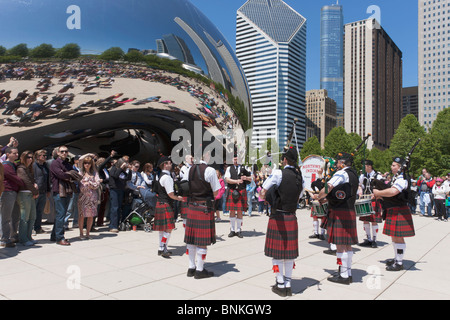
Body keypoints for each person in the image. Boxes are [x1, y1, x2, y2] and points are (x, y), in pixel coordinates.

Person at [260, 147, 304, 297]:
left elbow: (263, 191)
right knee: (289, 254)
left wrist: (267, 197)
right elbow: (298, 198)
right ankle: (288, 284)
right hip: (291, 216)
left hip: (278, 216)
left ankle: (280, 284)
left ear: (285, 160)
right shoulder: (300, 177)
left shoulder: (278, 173)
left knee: (278, 254)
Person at [316, 152, 359, 285]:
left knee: (340, 246)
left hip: (340, 212)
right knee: (347, 246)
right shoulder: (354, 174)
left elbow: (328, 187)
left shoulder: (341, 174)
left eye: (338, 162)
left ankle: (343, 275)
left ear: (342, 163)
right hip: (349, 210)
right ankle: (348, 272)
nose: (336, 164)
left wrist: (319, 196)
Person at [373, 157, 415, 271]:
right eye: (392, 165)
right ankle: (397, 258)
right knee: (394, 237)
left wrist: (378, 192)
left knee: (398, 237)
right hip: (394, 209)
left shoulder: (402, 179)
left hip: (399, 210)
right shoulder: (396, 178)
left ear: (401, 167)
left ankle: (399, 262)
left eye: (394, 165)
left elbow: (393, 192)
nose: (392, 167)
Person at [183, 151, 220, 279]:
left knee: (191, 240)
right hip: (204, 207)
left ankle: (191, 267)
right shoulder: (209, 170)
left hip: (192, 207)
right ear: (206, 157)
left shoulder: (189, 170)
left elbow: (184, 187)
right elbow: (216, 191)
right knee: (201, 241)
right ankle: (199, 270)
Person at [154, 156, 183, 258]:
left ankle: (161, 247)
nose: (171, 164)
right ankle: (163, 247)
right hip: (166, 203)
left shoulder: (160, 175)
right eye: (170, 163)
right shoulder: (167, 178)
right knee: (169, 228)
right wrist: (179, 198)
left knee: (163, 229)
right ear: (165, 165)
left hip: (161, 203)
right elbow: (171, 194)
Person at [50, 146, 78, 246]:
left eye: (66, 151)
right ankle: (60, 238)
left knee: (61, 215)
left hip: (67, 191)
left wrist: (68, 174)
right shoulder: (55, 163)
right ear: (58, 152)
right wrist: (69, 174)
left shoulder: (67, 163)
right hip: (58, 192)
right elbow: (61, 175)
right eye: (62, 151)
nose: (64, 153)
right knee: (61, 215)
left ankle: (54, 236)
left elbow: (76, 174)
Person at [0, 147, 25, 248]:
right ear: (7, 154)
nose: (16, 155)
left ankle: (13, 235)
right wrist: (25, 183)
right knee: (5, 217)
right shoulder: (5, 166)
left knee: (15, 216)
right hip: (7, 192)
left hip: (14, 192)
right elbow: (16, 179)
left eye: (17, 153)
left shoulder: (14, 164)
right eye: (14, 153)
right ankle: (4, 239)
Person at [358, 160, 384, 248]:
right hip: (365, 199)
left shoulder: (378, 176)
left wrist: (376, 193)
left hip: (374, 200)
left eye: (364, 166)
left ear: (369, 166)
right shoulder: (363, 176)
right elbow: (359, 185)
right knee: (365, 220)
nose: (363, 168)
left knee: (373, 220)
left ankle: (374, 240)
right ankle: (368, 239)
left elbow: (382, 187)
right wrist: (360, 191)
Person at [224, 155, 252, 238]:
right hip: (232, 191)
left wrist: (246, 178)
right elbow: (227, 179)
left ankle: (239, 230)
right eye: (234, 159)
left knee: (240, 211)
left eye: (237, 159)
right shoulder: (229, 168)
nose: (235, 161)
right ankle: (232, 230)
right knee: (232, 211)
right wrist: (236, 181)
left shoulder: (245, 167)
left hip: (241, 191)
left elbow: (251, 178)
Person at [16, 151, 39, 246]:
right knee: (24, 217)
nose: (30, 159)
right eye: (28, 157)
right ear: (23, 158)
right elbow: (26, 182)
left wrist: (34, 188)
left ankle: (28, 236)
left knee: (32, 217)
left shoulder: (29, 169)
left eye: (31, 157)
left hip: (30, 194)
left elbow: (32, 181)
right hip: (24, 194)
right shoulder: (21, 168)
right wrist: (35, 191)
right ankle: (23, 238)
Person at [78, 156, 101, 239]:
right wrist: (89, 183)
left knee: (91, 215)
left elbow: (97, 183)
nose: (87, 165)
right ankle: (81, 233)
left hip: (93, 196)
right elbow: (81, 184)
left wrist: (90, 183)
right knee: (81, 215)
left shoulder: (95, 173)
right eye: (85, 163)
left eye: (88, 163)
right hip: (83, 196)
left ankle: (88, 233)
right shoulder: (80, 173)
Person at [108, 157, 131, 233]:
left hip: (121, 190)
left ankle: (117, 224)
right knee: (114, 208)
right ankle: (113, 226)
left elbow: (128, 178)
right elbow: (115, 176)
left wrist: (130, 169)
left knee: (119, 207)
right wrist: (121, 168)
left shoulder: (122, 171)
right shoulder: (114, 169)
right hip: (114, 189)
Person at [33, 149, 51, 235]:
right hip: (35, 192)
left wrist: (48, 190)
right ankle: (32, 228)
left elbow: (47, 179)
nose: (45, 157)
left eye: (45, 156)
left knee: (40, 211)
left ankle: (38, 227)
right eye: (43, 156)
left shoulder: (45, 166)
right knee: (33, 211)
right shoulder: (33, 166)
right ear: (37, 157)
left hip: (43, 191)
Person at [308, 168, 326, 240]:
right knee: (321, 218)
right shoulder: (325, 182)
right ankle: (321, 233)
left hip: (317, 201)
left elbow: (311, 192)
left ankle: (317, 233)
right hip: (322, 201)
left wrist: (311, 194)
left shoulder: (314, 183)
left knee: (316, 217)